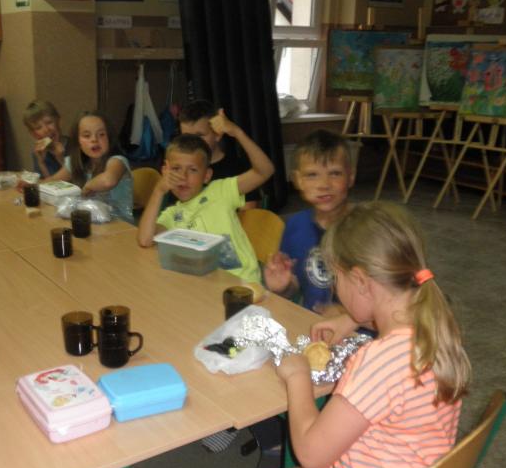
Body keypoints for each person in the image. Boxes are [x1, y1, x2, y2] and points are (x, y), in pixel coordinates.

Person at [197, 202, 471, 468]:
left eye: (337, 279)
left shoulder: (381, 360)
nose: (336, 290)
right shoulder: (433, 327)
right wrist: (353, 318)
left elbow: (311, 454)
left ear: (361, 281)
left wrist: (297, 376)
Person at [137, 127, 274, 284]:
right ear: (165, 172)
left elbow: (265, 171)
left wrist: (238, 133)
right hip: (203, 285)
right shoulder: (171, 214)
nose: (183, 177)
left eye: (193, 170)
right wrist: (159, 190)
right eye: (176, 169)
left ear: (207, 175)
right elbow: (145, 240)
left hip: (242, 283)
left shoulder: (221, 191)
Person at [264, 130, 355, 316]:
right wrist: (283, 287)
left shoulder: (371, 230)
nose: (324, 184)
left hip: (362, 331)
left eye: (335, 173)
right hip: (311, 324)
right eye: (312, 175)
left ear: (351, 176)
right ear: (297, 180)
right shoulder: (295, 226)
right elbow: (298, 284)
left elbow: (399, 300)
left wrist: (350, 317)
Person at [46, 111, 134, 224]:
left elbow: (108, 181)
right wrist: (31, 183)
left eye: (101, 134)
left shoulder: (118, 161)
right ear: (78, 141)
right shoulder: (75, 163)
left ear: (109, 138)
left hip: (120, 227)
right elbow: (52, 182)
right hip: (91, 223)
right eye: (87, 136)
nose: (94, 139)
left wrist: (88, 187)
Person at [174, 100, 262, 210]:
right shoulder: (178, 171)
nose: (192, 143)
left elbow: (248, 214)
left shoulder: (238, 169)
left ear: (217, 135)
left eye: (200, 136)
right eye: (186, 137)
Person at [23, 100, 67, 177]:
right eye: (38, 127)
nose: (46, 130)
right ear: (34, 134)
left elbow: (77, 181)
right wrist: (41, 163)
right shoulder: (38, 153)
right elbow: (46, 182)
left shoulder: (74, 146)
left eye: (49, 122)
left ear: (59, 121)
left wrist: (61, 159)